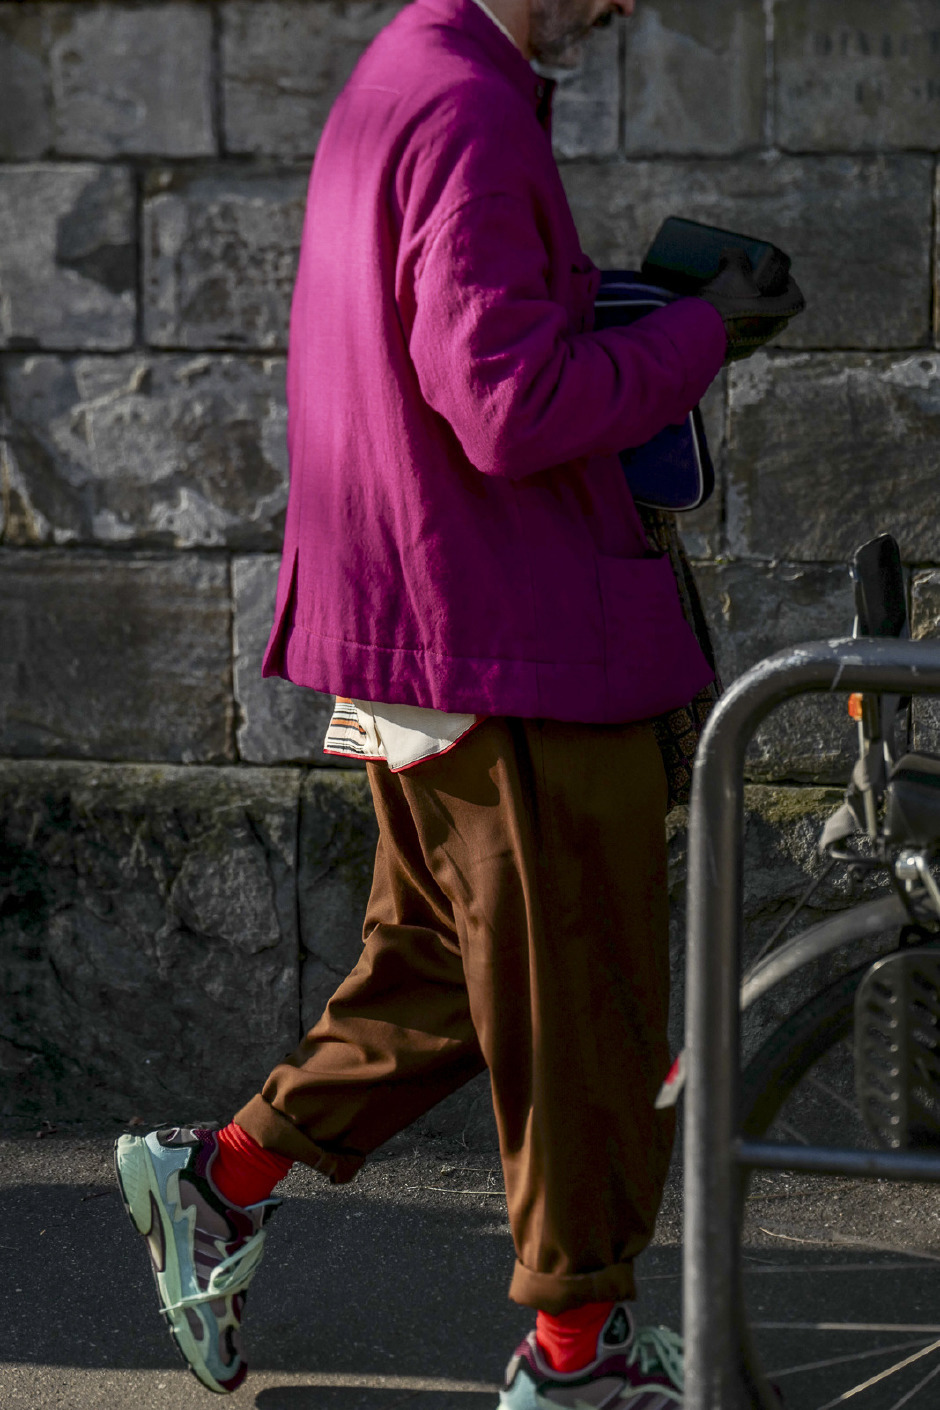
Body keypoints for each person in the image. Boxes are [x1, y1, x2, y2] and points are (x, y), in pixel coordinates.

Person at [114, 0, 799, 1402]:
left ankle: (216, 1175)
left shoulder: (413, 71)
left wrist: (628, 300)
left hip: (425, 619)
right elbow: (502, 403)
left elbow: (463, 347)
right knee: (581, 1003)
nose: (621, 4)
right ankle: (576, 1360)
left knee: (447, 972)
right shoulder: (471, 107)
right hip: (510, 640)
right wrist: (695, 337)